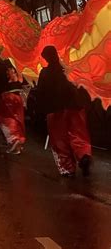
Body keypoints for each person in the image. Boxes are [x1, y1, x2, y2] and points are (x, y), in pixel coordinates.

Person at [36, 45, 92, 177]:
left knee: (60, 139)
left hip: (56, 110)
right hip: (76, 107)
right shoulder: (66, 70)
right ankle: (84, 155)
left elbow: (41, 94)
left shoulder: (45, 73)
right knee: (79, 134)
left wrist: (41, 111)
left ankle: (68, 169)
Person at [0, 66, 28, 154]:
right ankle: (16, 144)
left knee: (11, 121)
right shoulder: (11, 80)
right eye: (9, 70)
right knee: (11, 121)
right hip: (10, 102)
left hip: (12, 102)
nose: (10, 72)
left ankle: (14, 140)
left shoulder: (18, 79)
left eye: (11, 70)